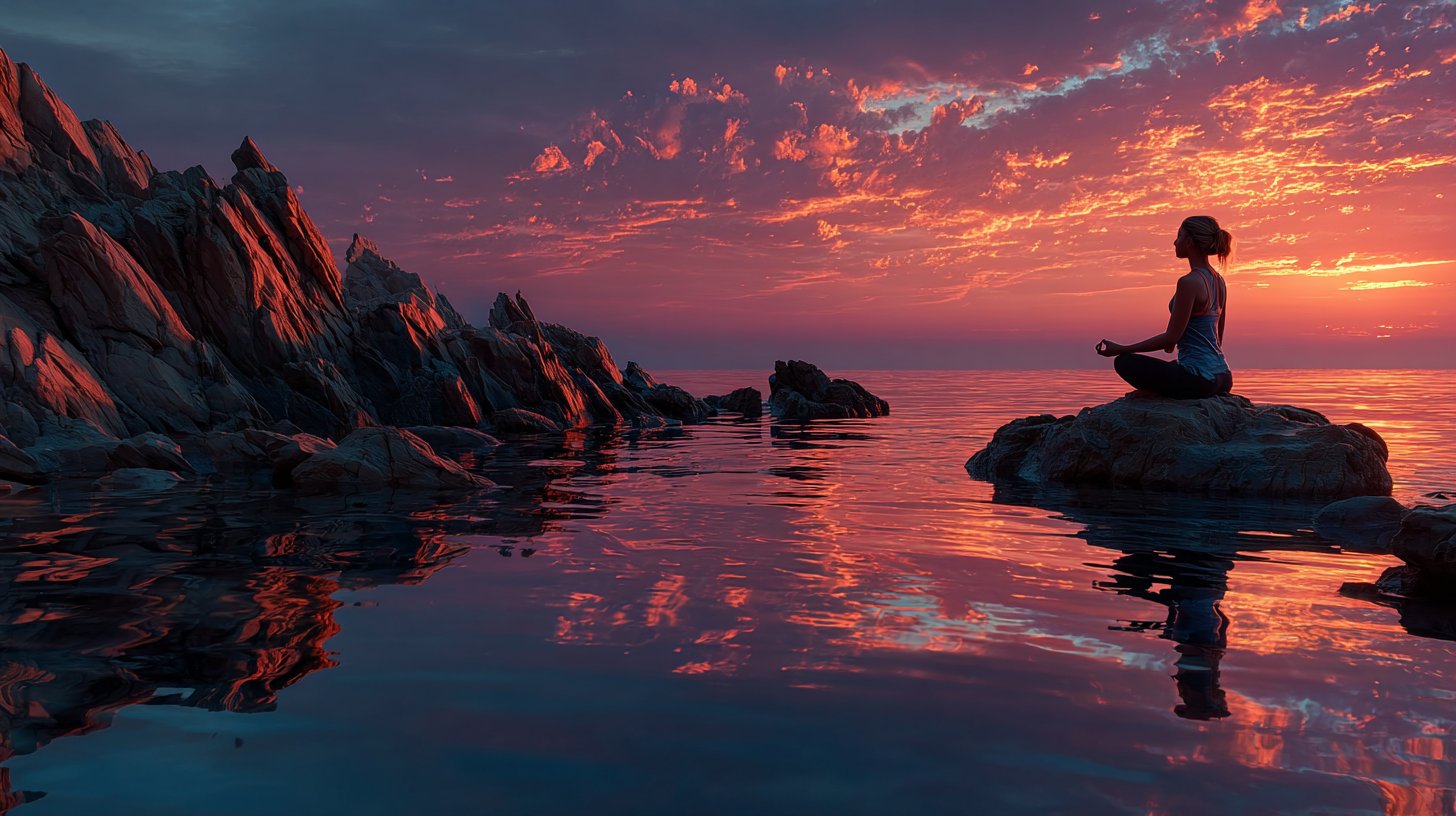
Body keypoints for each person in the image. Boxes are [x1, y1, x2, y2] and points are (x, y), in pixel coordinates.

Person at [1096, 216, 1233, 399]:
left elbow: (1170, 338)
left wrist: (1120, 348)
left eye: (1179, 236)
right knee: (1174, 365)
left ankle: (1158, 394)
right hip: (1223, 377)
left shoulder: (1189, 282)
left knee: (1124, 362)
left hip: (1199, 381)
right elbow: (1217, 339)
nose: (1175, 242)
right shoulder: (1219, 281)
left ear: (1190, 242)